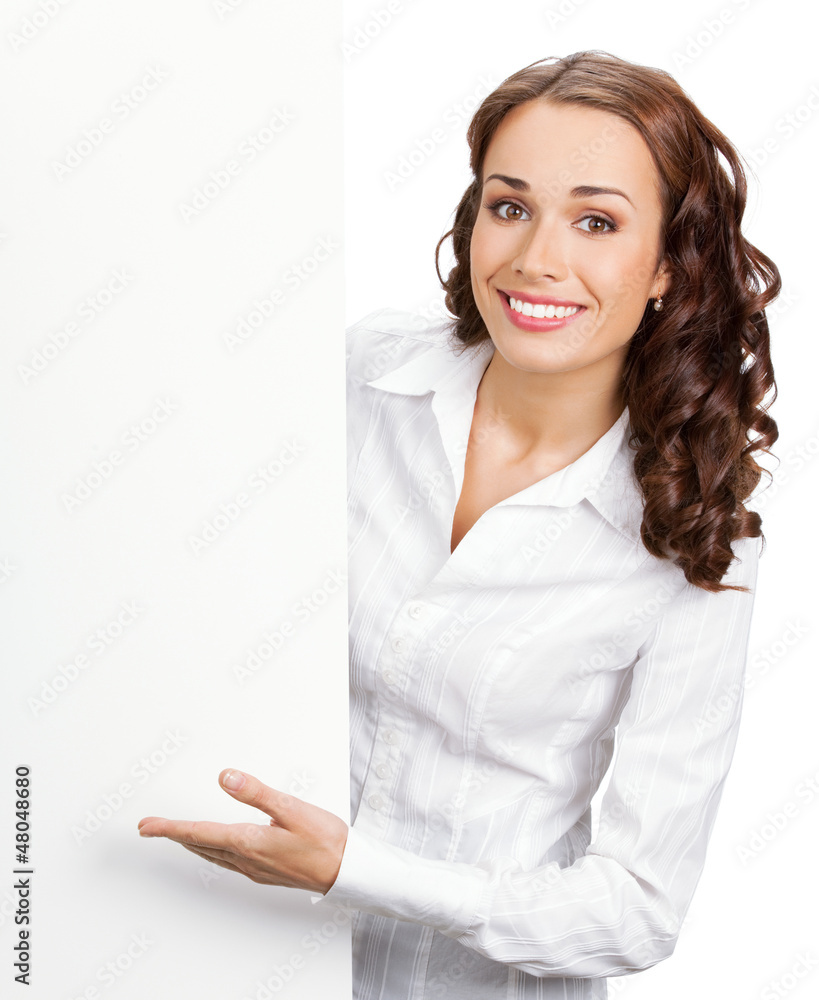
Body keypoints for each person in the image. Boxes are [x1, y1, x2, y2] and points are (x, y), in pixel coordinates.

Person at [138, 51, 780, 998]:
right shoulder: (361, 377)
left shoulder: (694, 528)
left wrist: (356, 871)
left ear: (666, 267)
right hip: (231, 954)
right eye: (509, 206)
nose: (535, 259)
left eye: (595, 221)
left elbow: (638, 910)